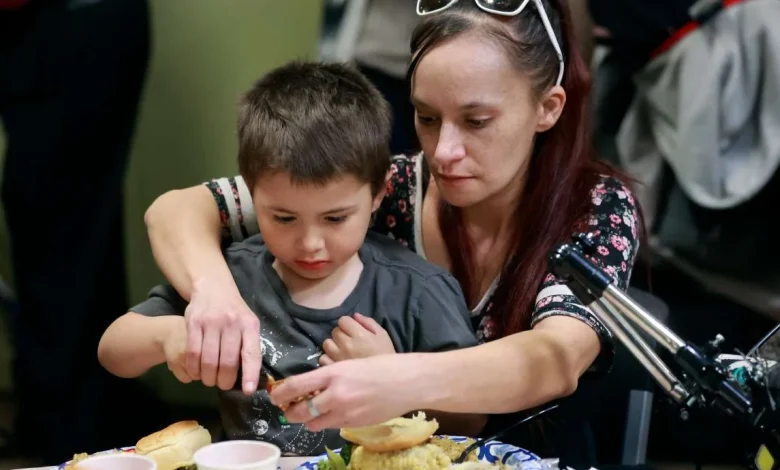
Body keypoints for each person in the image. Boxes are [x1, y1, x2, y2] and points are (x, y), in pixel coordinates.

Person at [143, 0, 641, 464]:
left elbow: (555, 358)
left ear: (548, 108)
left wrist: (397, 376)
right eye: (426, 118)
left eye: (476, 121)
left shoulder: (596, 208)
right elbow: (177, 210)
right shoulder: (393, 185)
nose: (443, 151)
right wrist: (216, 298)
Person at [98, 61, 482, 456]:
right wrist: (169, 337)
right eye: (284, 218)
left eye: (335, 218)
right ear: (251, 193)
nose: (310, 243)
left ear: (378, 195)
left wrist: (397, 379)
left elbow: (472, 419)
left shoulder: (418, 292)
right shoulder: (233, 278)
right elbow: (113, 351)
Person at [0, 0, 152, 462]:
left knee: (63, 222)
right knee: (67, 223)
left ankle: (71, 434)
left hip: (72, 18)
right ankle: (88, 418)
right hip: (47, 22)